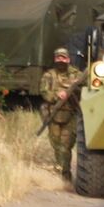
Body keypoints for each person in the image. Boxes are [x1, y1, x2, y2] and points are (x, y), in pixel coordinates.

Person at [39, 47, 82, 181]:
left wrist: (76, 87)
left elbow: (88, 86)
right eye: (58, 57)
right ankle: (60, 171)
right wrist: (56, 95)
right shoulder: (49, 75)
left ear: (68, 59)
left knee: (66, 146)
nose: (60, 60)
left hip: (70, 114)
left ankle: (65, 175)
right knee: (56, 144)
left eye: (63, 57)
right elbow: (44, 91)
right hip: (54, 114)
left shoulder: (77, 74)